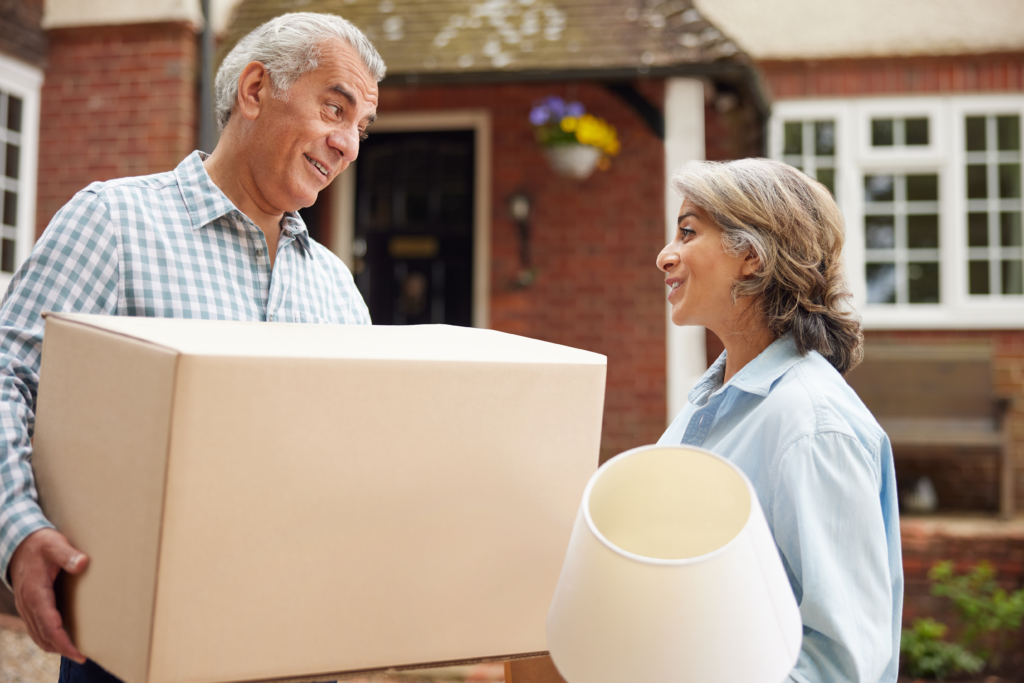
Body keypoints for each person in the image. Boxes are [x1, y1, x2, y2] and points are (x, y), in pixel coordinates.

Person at [0, 12, 384, 681]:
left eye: (359, 126)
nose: (348, 142)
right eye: (335, 107)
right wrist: (20, 530)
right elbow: (7, 378)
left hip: (292, 644)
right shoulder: (113, 222)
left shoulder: (339, 292)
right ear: (256, 90)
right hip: (130, 649)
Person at [656, 158, 902, 683]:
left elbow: (841, 665)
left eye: (687, 231)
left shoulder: (811, 425)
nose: (665, 255)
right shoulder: (706, 404)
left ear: (751, 256)